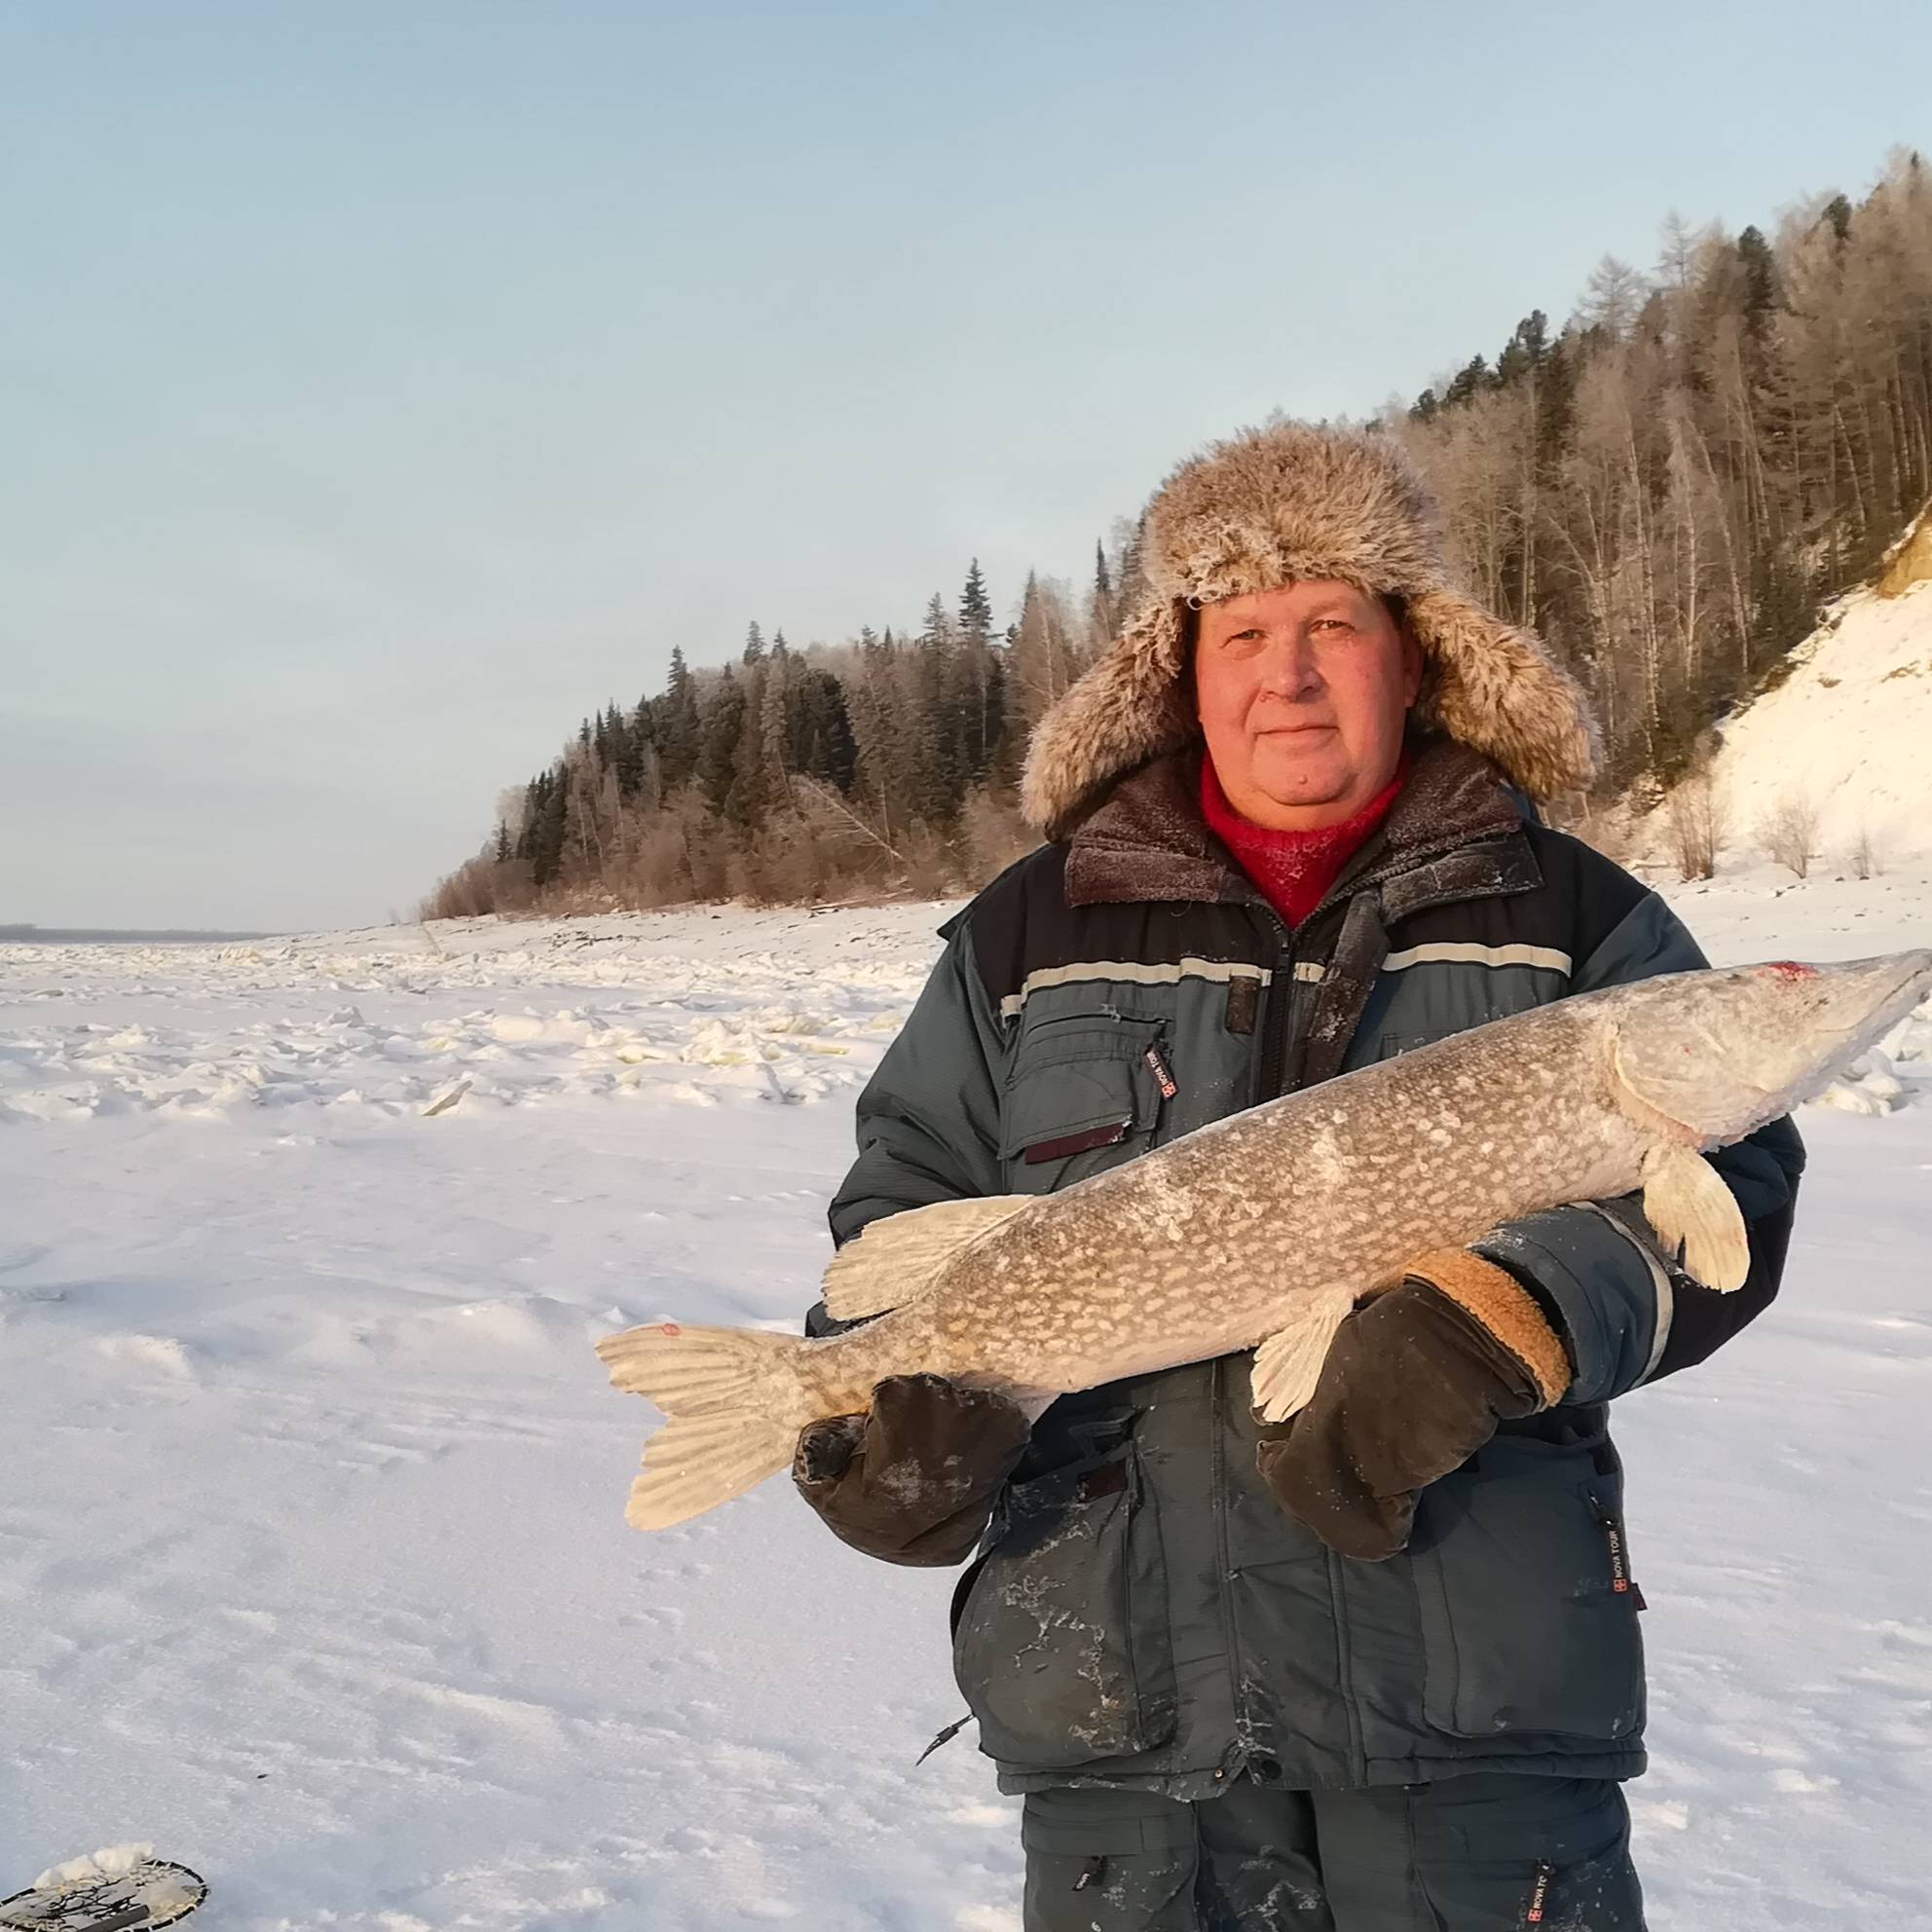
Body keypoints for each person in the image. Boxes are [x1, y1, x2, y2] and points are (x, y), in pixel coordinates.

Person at [794, 421, 1803, 1931]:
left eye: (1335, 621)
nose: (1291, 670)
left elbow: (1739, 1191)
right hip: (1124, 1721)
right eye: (1244, 630)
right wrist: (876, 1431)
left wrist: (1508, 1318)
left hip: (1475, 1706)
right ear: (1178, 671)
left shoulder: (1574, 913)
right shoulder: (1027, 933)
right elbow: (907, 1205)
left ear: (1415, 655)